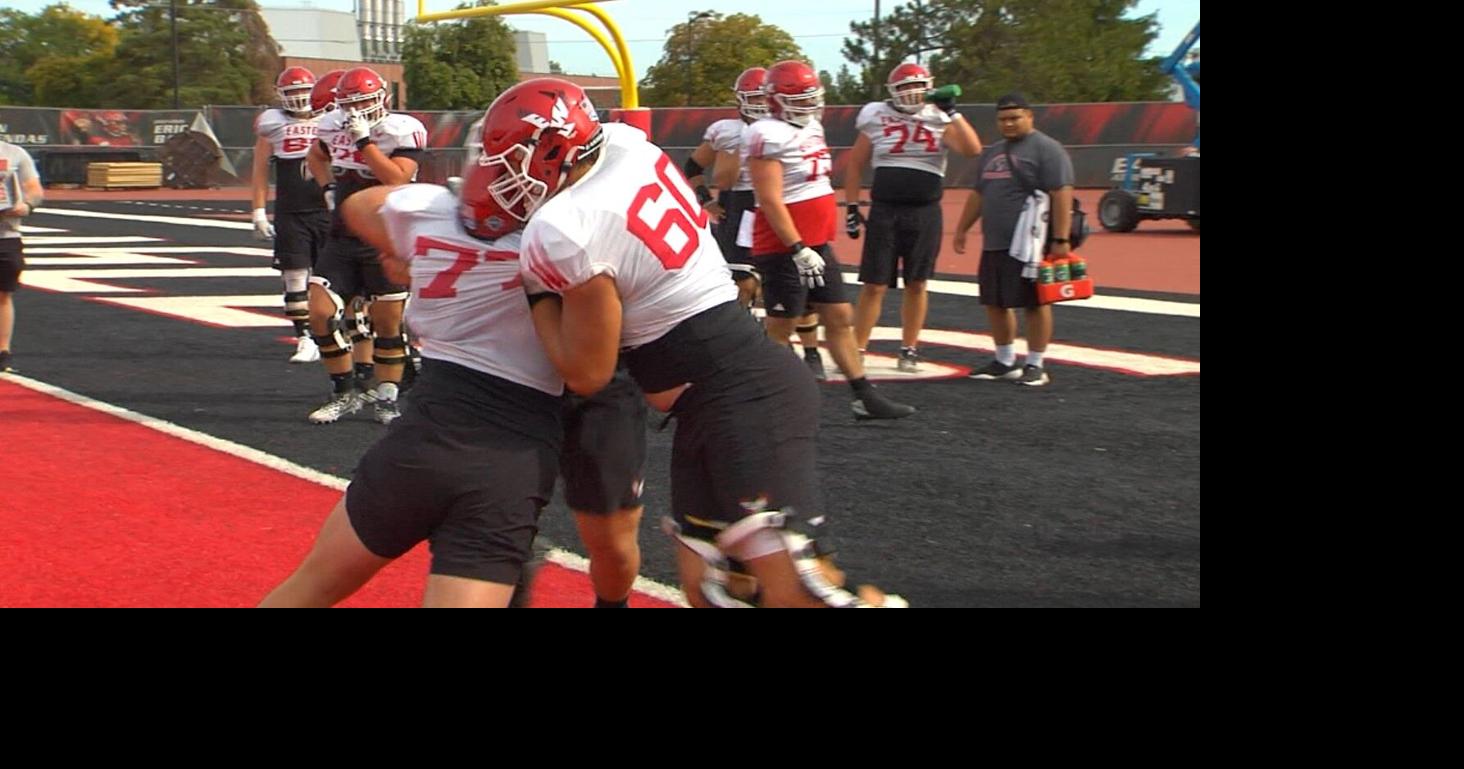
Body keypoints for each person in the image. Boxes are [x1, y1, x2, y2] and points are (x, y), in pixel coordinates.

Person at [484, 77, 905, 606]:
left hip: (741, 398)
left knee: (801, 593)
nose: (500, 172)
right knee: (713, 589)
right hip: (717, 399)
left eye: (510, 157)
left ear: (551, 146)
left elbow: (586, 372)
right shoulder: (624, 146)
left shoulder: (564, 227)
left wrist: (536, 292)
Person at [742, 60, 914, 419]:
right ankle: (756, 399)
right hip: (784, 247)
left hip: (815, 244)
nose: (809, 106)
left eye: (811, 99)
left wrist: (810, 245)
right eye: (800, 100)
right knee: (781, 325)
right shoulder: (765, 133)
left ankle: (863, 396)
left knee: (838, 315)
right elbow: (771, 199)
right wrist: (797, 247)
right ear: (776, 100)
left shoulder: (813, 126)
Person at [304, 66, 427, 423]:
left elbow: (396, 177)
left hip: (385, 238)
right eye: (350, 105)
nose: (355, 112)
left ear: (381, 100)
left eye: (363, 103)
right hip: (342, 237)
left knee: (388, 325)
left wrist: (364, 143)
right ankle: (344, 392)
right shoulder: (330, 126)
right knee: (321, 315)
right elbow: (316, 155)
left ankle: (387, 397)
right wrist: (328, 188)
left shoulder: (400, 130)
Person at [845, 63, 981, 371]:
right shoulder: (875, 114)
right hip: (885, 210)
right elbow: (855, 165)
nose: (911, 94)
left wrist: (953, 112)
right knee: (874, 284)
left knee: (918, 283)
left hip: (925, 210)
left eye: (916, 86)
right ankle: (857, 347)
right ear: (893, 92)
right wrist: (852, 207)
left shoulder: (939, 116)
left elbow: (972, 149)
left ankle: (909, 348)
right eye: (904, 88)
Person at [953, 92, 1075, 387]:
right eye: (1002, 119)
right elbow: (979, 194)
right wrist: (962, 228)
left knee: (1035, 303)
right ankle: (1004, 360)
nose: (1008, 124)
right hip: (995, 241)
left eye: (1014, 117)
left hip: (1032, 244)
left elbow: (1062, 193)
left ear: (1030, 117)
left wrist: (1061, 238)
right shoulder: (992, 152)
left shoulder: (1048, 149)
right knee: (995, 302)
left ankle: (1035, 363)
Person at [251, 66, 331, 363]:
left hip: (327, 208)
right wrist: (258, 210)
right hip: (292, 210)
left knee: (334, 277)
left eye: (303, 92)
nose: (298, 99)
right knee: (294, 277)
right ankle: (305, 337)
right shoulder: (271, 123)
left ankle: (336, 334)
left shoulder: (333, 119)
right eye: (291, 93)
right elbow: (259, 168)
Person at [0, 139, 43, 374]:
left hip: (6, 232)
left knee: (3, 293)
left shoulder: (14, 153)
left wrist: (26, 205)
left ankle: (2, 351)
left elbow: (34, 188)